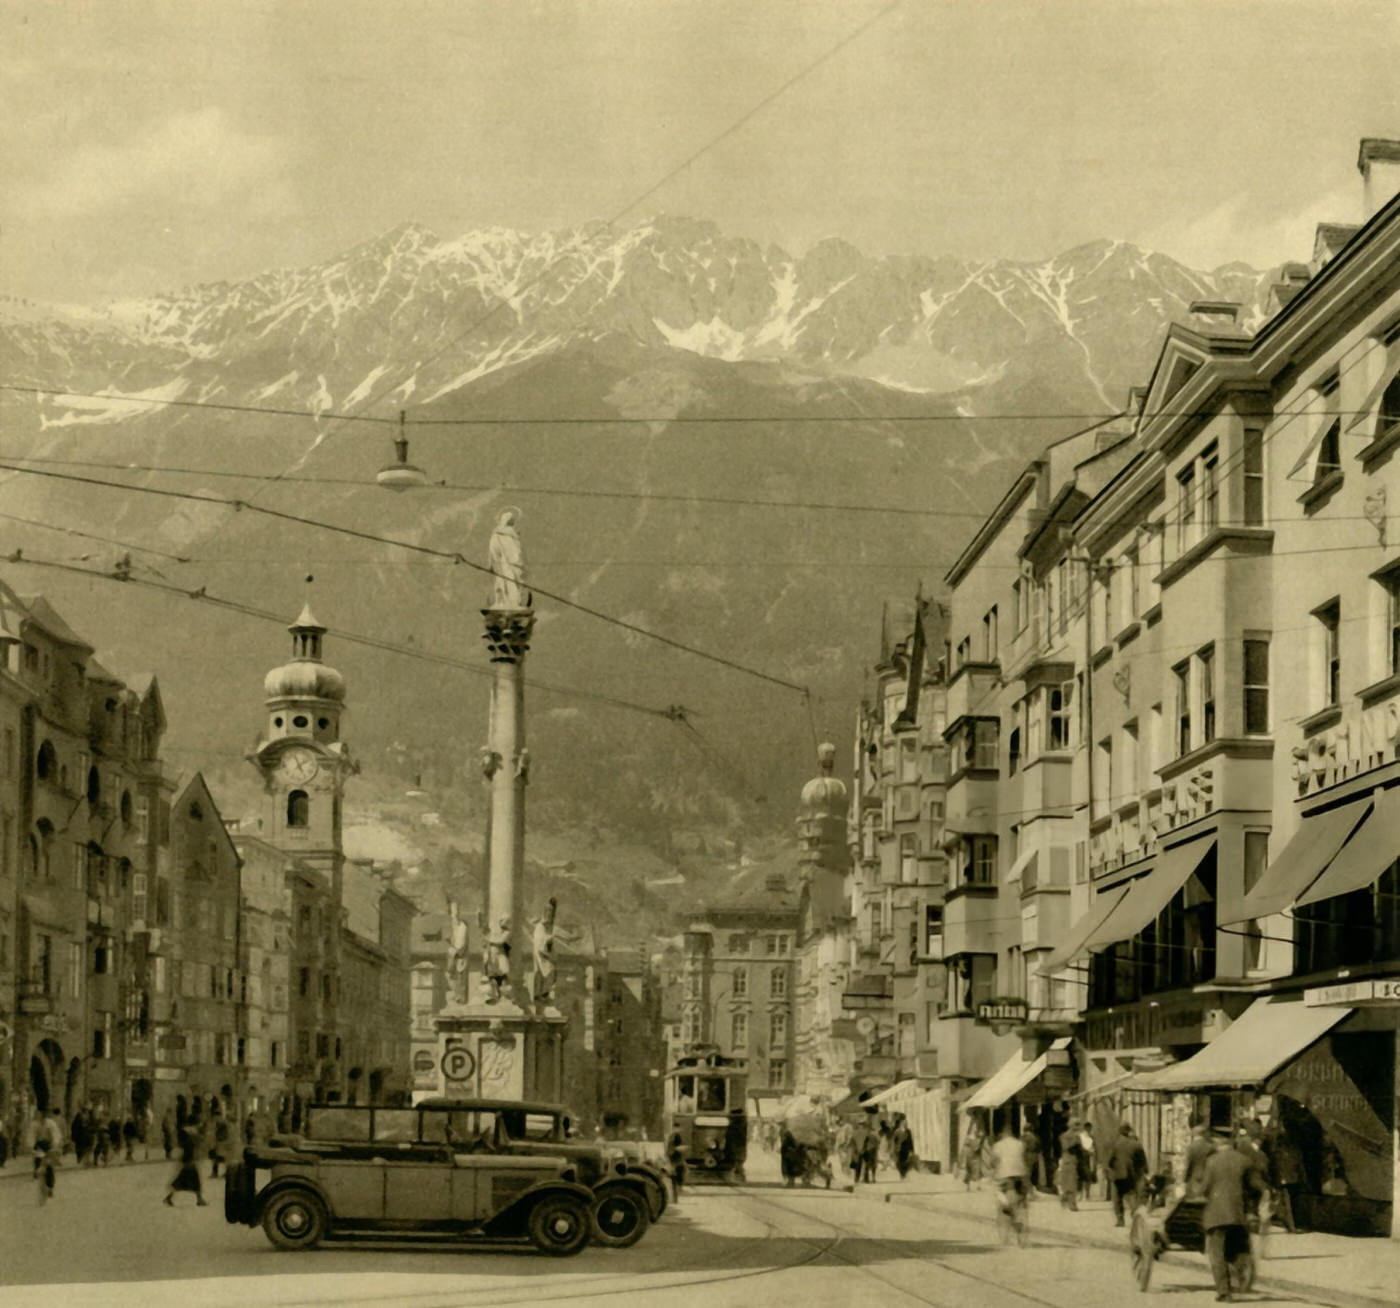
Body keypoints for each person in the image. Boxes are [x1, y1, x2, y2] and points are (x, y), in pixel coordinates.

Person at [1201, 1126, 1266, 1302]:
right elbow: (1257, 1187)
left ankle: (1224, 1292)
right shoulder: (1244, 1160)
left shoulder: (1212, 1161)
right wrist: (1252, 1208)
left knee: (1217, 1253)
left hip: (1216, 1215)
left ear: (1217, 1141)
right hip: (1238, 1214)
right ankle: (1243, 1270)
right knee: (1236, 1248)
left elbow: (1204, 1188)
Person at [990, 1124, 1030, 1247]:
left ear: (1002, 1135)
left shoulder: (997, 1146)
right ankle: (1021, 1231)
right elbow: (1026, 1159)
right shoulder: (1020, 1144)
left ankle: (1005, 1233)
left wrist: (995, 1168)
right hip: (1021, 1176)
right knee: (1021, 1203)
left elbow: (993, 1162)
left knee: (1001, 1202)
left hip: (1004, 1177)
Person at [1107, 1122, 1147, 1227]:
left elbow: (1109, 1160)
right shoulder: (1136, 1144)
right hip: (1131, 1174)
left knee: (1117, 1197)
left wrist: (1111, 1168)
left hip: (1117, 1175)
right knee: (1131, 1195)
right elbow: (1142, 1161)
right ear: (1129, 1131)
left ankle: (1120, 1219)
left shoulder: (1115, 1143)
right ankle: (1135, 1214)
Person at [164, 1122, 207, 1206]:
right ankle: (199, 1200)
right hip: (190, 1163)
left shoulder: (190, 1134)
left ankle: (169, 1198)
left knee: (181, 1183)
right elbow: (190, 1150)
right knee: (194, 1182)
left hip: (188, 1162)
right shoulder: (192, 1136)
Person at [1184, 1121, 1213, 1199]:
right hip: (1208, 1176)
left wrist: (1185, 1179)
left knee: (1194, 1199)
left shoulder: (1192, 1147)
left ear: (1194, 1134)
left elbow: (1188, 1164)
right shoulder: (1210, 1146)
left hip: (1195, 1176)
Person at [1055, 1122, 1081, 1210]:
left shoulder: (1077, 1136)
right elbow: (1066, 1147)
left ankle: (1068, 1201)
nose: (1078, 1127)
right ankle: (1070, 1203)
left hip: (1073, 1161)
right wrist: (1075, 1141)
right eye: (1076, 1125)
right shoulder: (1065, 1136)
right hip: (1067, 1160)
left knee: (1071, 1182)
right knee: (1068, 1183)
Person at [891, 1114, 916, 1180]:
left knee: (905, 1161)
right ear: (901, 1124)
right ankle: (902, 1173)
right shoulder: (897, 1131)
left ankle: (903, 1174)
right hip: (899, 1149)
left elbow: (910, 1141)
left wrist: (912, 1150)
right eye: (904, 1123)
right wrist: (893, 1149)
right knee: (899, 1162)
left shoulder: (908, 1131)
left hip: (906, 1149)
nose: (906, 1125)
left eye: (906, 1124)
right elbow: (894, 1141)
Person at [1076, 1121, 1096, 1201]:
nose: (1089, 1130)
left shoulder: (1092, 1137)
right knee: (1080, 1177)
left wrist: (1093, 1152)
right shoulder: (1080, 1137)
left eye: (1090, 1129)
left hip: (1089, 1158)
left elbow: (1094, 1147)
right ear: (1084, 1128)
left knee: (1088, 1176)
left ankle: (1087, 1194)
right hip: (1081, 1158)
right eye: (1087, 1128)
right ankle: (1080, 1194)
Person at [33, 1137, 56, 1206]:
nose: (38, 1150)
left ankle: (45, 1195)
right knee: (42, 1186)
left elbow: (49, 1171)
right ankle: (43, 1198)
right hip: (42, 1172)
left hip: (44, 1172)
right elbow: (36, 1165)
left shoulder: (44, 1157)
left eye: (39, 1149)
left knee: (43, 1186)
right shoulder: (40, 1157)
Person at [666, 1131, 685, 1201]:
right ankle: (675, 1197)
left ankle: (675, 1198)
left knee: (674, 1182)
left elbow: (669, 1154)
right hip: (677, 1165)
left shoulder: (672, 1145)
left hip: (674, 1165)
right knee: (676, 1181)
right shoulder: (676, 1147)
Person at [860, 1117, 880, 1183]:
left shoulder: (866, 1132)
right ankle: (872, 1178)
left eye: (862, 1124)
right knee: (872, 1164)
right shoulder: (873, 1132)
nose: (861, 1126)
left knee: (867, 1164)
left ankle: (867, 1179)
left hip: (868, 1150)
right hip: (873, 1149)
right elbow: (878, 1140)